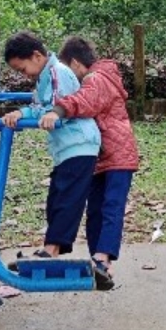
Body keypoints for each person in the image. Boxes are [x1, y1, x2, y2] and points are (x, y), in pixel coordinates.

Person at [1, 32, 107, 288]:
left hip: (80, 144)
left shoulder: (59, 72)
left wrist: (30, 112)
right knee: (56, 199)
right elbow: (40, 105)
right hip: (67, 148)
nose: (23, 74)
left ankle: (51, 251)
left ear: (37, 56)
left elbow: (60, 105)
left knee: (67, 199)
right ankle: (52, 251)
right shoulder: (44, 77)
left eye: (22, 67)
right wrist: (23, 111)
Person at [48, 36, 139, 283]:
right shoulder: (101, 77)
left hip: (118, 156)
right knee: (96, 209)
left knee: (110, 207)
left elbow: (85, 101)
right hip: (102, 156)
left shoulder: (95, 79)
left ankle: (102, 259)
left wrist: (57, 110)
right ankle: (99, 264)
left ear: (76, 63)